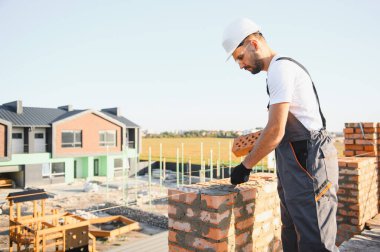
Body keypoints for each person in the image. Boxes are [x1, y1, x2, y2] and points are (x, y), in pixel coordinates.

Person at [222, 18, 339, 252]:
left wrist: (245, 166)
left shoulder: (281, 69)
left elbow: (276, 130)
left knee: (315, 240)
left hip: (309, 161)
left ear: (253, 44)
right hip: (294, 162)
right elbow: (275, 127)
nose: (240, 66)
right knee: (292, 231)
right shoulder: (274, 73)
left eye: (240, 57)